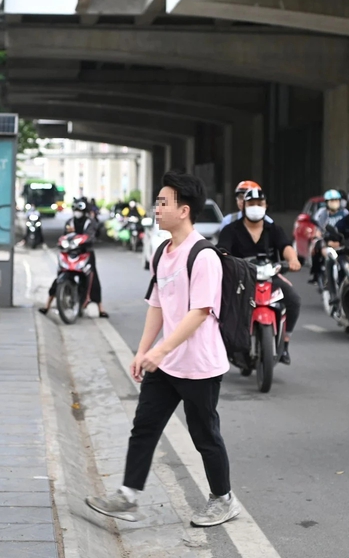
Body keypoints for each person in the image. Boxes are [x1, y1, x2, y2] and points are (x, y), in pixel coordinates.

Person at [85, 171, 240, 528]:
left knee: (205, 435)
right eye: (157, 202)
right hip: (166, 363)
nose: (156, 209)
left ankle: (223, 499)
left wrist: (160, 350)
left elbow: (200, 312)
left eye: (162, 202)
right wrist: (143, 351)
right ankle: (127, 495)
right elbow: (157, 304)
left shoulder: (203, 256)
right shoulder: (162, 252)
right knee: (144, 426)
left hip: (199, 365)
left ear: (183, 210)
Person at [218, 187, 302, 365]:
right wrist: (224, 260)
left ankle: (284, 343)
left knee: (293, 299)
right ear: (243, 206)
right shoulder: (231, 229)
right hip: (240, 279)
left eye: (259, 203)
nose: (255, 207)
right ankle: (225, 343)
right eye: (251, 204)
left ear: (266, 206)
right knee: (222, 304)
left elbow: (285, 247)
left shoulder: (274, 229)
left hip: (269, 276)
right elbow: (223, 249)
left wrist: (292, 260)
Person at [40, 198, 108, 318]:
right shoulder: (69, 222)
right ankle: (47, 305)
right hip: (70, 253)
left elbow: (91, 235)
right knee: (59, 277)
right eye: (75, 209)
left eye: (79, 209)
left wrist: (83, 239)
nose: (77, 212)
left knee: (93, 280)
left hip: (85, 253)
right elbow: (65, 236)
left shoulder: (90, 222)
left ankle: (100, 308)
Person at [310, 189, 348, 284]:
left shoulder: (345, 213)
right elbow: (319, 228)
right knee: (316, 249)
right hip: (327, 240)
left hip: (342, 241)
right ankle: (317, 274)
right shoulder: (323, 214)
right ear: (327, 203)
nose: (334, 203)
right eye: (332, 201)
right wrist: (318, 236)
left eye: (336, 200)